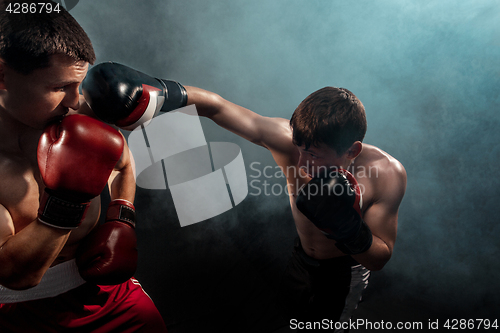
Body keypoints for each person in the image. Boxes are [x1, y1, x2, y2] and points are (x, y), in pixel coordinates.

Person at [82, 66, 406, 331]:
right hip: (300, 259)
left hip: (343, 273)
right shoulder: (288, 142)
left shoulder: (387, 175)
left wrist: (349, 229)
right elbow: (217, 107)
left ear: (353, 151)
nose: (304, 164)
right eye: (301, 150)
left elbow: (379, 258)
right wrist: (158, 90)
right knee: (290, 315)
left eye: (317, 156)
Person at [0, 1, 167, 332]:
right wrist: (65, 205)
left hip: (113, 298)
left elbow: (120, 161)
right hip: (24, 315)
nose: (75, 100)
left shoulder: (71, 117)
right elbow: (16, 274)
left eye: (77, 84)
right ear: (2, 76)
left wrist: (122, 215)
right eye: (59, 87)